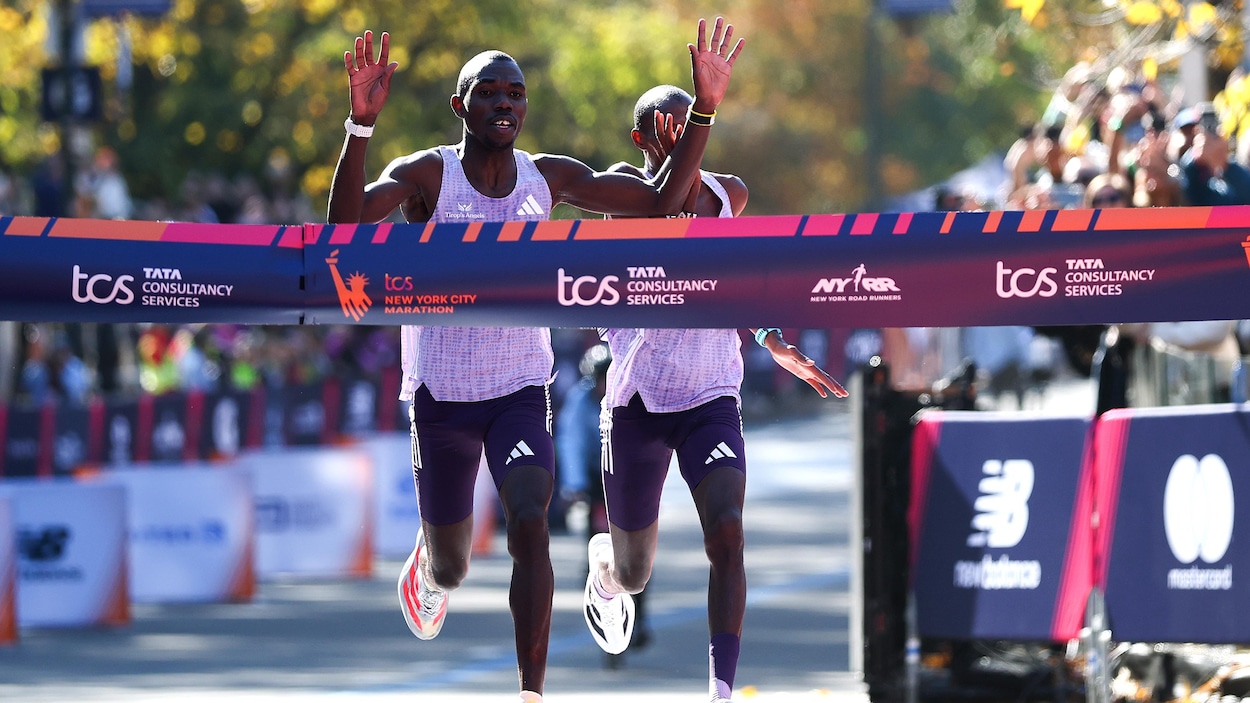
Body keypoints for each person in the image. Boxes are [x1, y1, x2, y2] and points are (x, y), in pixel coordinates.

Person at [325, 21, 745, 703]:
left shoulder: (545, 178)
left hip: (521, 386)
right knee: (456, 565)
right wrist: (360, 127)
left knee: (530, 520)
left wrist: (704, 110)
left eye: (515, 94)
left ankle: (531, 693)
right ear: (460, 106)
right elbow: (342, 230)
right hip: (442, 392)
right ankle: (428, 568)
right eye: (487, 92)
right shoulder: (429, 174)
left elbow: (663, 203)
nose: (504, 104)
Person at [582, 85, 848, 703]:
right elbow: (665, 211)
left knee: (727, 532)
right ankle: (605, 570)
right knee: (634, 571)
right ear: (641, 139)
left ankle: (720, 691)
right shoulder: (623, 192)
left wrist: (771, 337)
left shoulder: (729, 195)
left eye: (691, 125)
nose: (681, 138)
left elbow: (732, 280)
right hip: (639, 403)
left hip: (710, 395)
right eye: (666, 128)